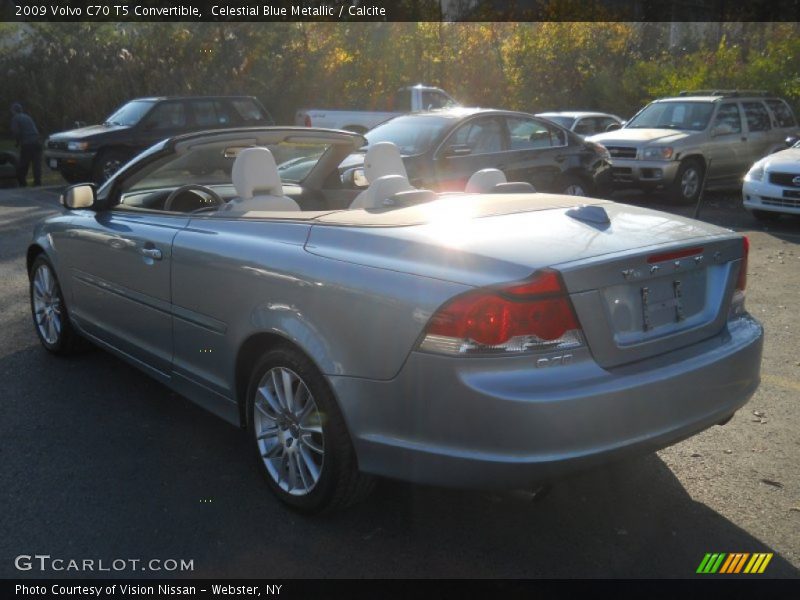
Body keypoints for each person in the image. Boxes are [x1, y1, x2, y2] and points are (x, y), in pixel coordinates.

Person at [10, 102, 42, 187]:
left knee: (23, 163)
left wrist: (17, 142)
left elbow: (16, 132)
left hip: (27, 143)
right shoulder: (27, 117)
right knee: (36, 164)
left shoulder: (15, 118)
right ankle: (37, 182)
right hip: (37, 142)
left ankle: (22, 183)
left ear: (13, 111)